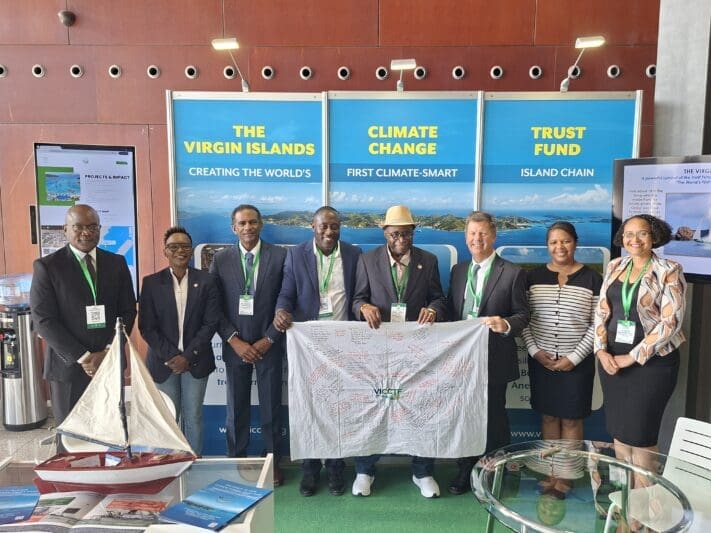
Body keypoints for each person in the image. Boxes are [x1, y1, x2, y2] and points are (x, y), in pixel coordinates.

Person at [350, 205, 447, 498]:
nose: (400, 240)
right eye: (395, 234)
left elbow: (439, 298)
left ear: (413, 232)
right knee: (373, 408)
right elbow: (357, 300)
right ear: (385, 233)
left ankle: (423, 471)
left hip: (416, 351)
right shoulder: (367, 260)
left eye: (406, 234)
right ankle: (365, 470)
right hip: (378, 350)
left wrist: (433, 309)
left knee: (421, 407)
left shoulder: (428, 261)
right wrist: (364, 308)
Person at [273, 206, 362, 497]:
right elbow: (286, 293)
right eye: (324, 226)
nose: (329, 231)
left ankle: (336, 469)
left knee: (339, 409)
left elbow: (359, 295)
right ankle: (310, 470)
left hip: (343, 345)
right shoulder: (296, 255)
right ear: (313, 226)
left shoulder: (353, 254)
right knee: (308, 409)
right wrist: (281, 310)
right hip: (307, 347)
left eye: (334, 226)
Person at [30, 204, 137, 427]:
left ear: (99, 229)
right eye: (78, 227)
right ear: (65, 230)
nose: (86, 232)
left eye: (92, 227)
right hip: (68, 368)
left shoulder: (116, 263)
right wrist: (84, 357)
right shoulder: (48, 267)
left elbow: (128, 310)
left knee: (109, 431)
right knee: (72, 435)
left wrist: (107, 351)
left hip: (109, 362)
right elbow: (43, 320)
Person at [447, 211, 529, 495]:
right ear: (465, 237)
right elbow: (451, 311)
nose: (477, 239)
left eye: (482, 233)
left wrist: (505, 324)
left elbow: (523, 315)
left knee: (494, 419)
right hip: (461, 361)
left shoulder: (513, 272)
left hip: (494, 359)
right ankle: (465, 470)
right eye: (472, 233)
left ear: (493, 236)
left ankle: (496, 474)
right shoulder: (458, 271)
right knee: (463, 417)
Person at [594, 214, 686, 465]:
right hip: (612, 362)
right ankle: (625, 489)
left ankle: (645, 491)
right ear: (622, 238)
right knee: (619, 433)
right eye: (629, 234)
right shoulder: (615, 265)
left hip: (652, 365)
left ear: (653, 236)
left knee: (641, 437)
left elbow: (671, 321)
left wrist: (632, 357)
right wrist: (600, 351)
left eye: (642, 233)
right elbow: (601, 311)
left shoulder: (669, 270)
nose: (635, 239)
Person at [210, 205, 287, 486]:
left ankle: (272, 461)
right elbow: (213, 305)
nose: (248, 228)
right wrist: (234, 340)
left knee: (271, 407)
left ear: (261, 224)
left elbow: (286, 298)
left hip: (270, 343)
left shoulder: (280, 256)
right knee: (236, 408)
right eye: (242, 223)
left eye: (253, 222)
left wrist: (269, 338)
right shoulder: (221, 259)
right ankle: (236, 459)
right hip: (235, 345)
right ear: (234, 228)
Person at [138, 226, 220, 455]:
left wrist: (187, 356)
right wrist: (172, 356)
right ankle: (167, 466)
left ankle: (193, 463)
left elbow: (211, 323)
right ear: (165, 251)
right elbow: (147, 327)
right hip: (163, 362)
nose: (180, 251)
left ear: (191, 250)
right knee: (168, 418)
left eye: (184, 246)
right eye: (173, 247)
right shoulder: (151, 283)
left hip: (196, 360)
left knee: (193, 416)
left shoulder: (207, 281)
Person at [521, 221, 602, 442]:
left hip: (577, 364)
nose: (560, 247)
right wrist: (535, 352)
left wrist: (573, 358)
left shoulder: (592, 279)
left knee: (571, 420)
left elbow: (598, 324)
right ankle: (552, 465)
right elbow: (524, 319)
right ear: (547, 245)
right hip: (542, 362)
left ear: (575, 243)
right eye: (554, 242)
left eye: (566, 241)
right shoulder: (532, 278)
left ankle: (568, 466)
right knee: (548, 417)